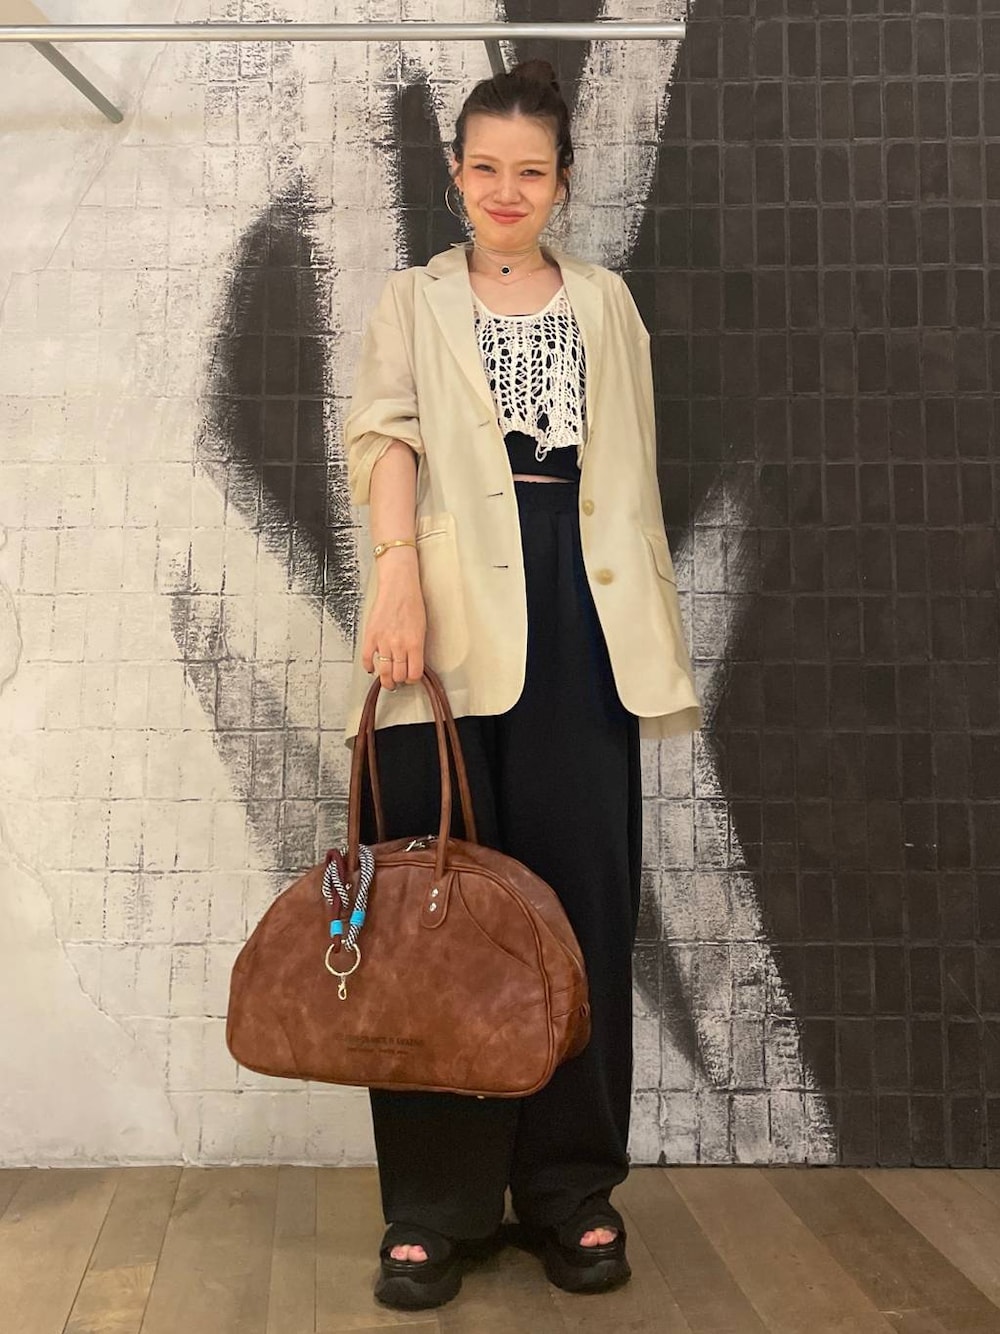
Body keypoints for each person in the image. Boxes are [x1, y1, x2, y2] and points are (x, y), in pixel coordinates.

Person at [342, 59, 701, 1310]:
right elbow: (383, 436)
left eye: (530, 171)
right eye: (485, 168)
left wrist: (637, 622)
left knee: (579, 906)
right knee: (430, 912)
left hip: (581, 615)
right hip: (438, 616)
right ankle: (433, 1203)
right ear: (455, 175)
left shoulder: (604, 301)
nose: (506, 190)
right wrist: (396, 576)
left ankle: (568, 1186)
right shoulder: (412, 296)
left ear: (562, 182)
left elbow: (630, 473)